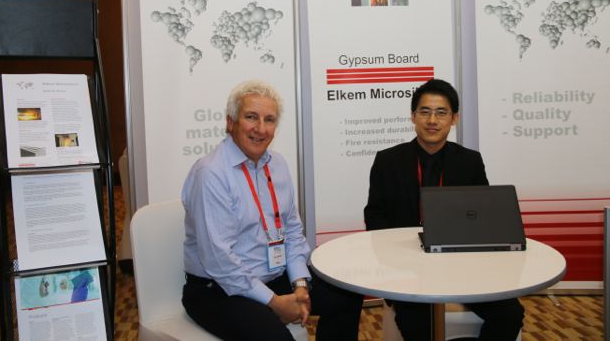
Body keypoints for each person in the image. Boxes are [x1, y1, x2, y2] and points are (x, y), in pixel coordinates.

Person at [182, 80, 363, 341]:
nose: (261, 128)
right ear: (230, 122)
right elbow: (219, 261)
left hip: (273, 275)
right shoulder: (211, 174)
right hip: (219, 289)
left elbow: (292, 231)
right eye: (251, 117)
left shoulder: (277, 164)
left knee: (345, 295)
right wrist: (275, 303)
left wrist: (300, 285)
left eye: (269, 120)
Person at [364, 78, 524, 341]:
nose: (432, 120)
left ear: (454, 118)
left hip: (461, 267)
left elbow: (484, 217)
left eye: (441, 113)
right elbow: (374, 215)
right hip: (407, 268)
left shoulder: (470, 161)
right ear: (413, 117)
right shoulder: (388, 161)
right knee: (420, 327)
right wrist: (401, 253)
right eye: (424, 112)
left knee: (510, 315)